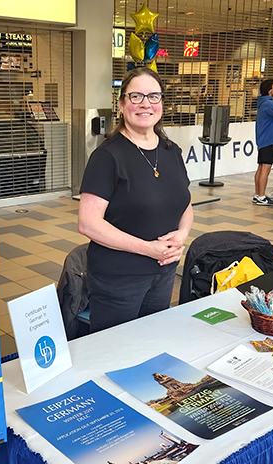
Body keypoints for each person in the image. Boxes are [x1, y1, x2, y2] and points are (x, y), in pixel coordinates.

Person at [78, 67, 193, 333]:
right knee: (114, 350)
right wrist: (148, 249)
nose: (145, 104)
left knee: (151, 343)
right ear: (121, 104)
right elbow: (88, 224)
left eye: (153, 96)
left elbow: (185, 205)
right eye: (136, 96)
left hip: (164, 272)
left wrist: (182, 234)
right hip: (119, 278)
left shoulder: (171, 151)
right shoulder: (107, 157)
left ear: (162, 102)